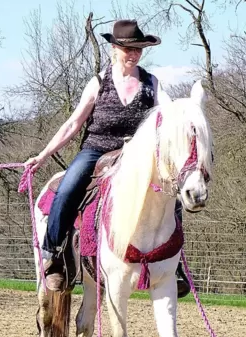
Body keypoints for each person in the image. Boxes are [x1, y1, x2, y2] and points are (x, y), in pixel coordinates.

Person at [24, 19, 190, 297]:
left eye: (138, 49)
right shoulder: (99, 82)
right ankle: (52, 256)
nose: (134, 54)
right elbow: (73, 123)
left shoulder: (151, 83)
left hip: (137, 158)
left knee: (171, 195)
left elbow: (171, 112)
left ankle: (174, 265)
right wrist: (42, 156)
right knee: (67, 189)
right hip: (97, 152)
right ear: (114, 49)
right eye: (129, 49)